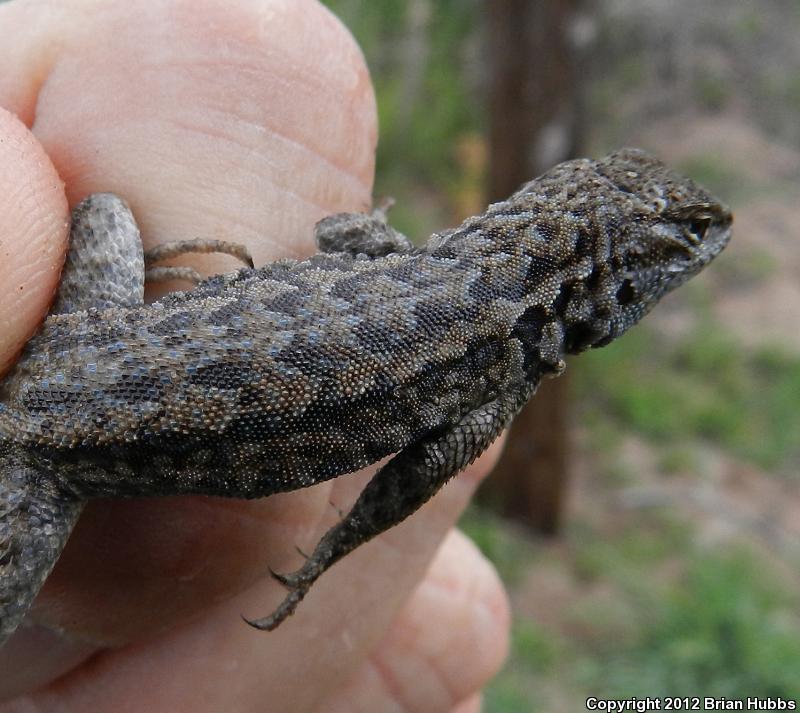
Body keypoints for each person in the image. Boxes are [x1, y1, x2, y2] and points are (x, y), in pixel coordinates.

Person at [0, 1, 510, 710]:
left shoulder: (454, 277)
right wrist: (327, 555)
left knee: (110, 212)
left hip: (78, 359)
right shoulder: (493, 363)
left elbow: (338, 233)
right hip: (44, 449)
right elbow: (407, 479)